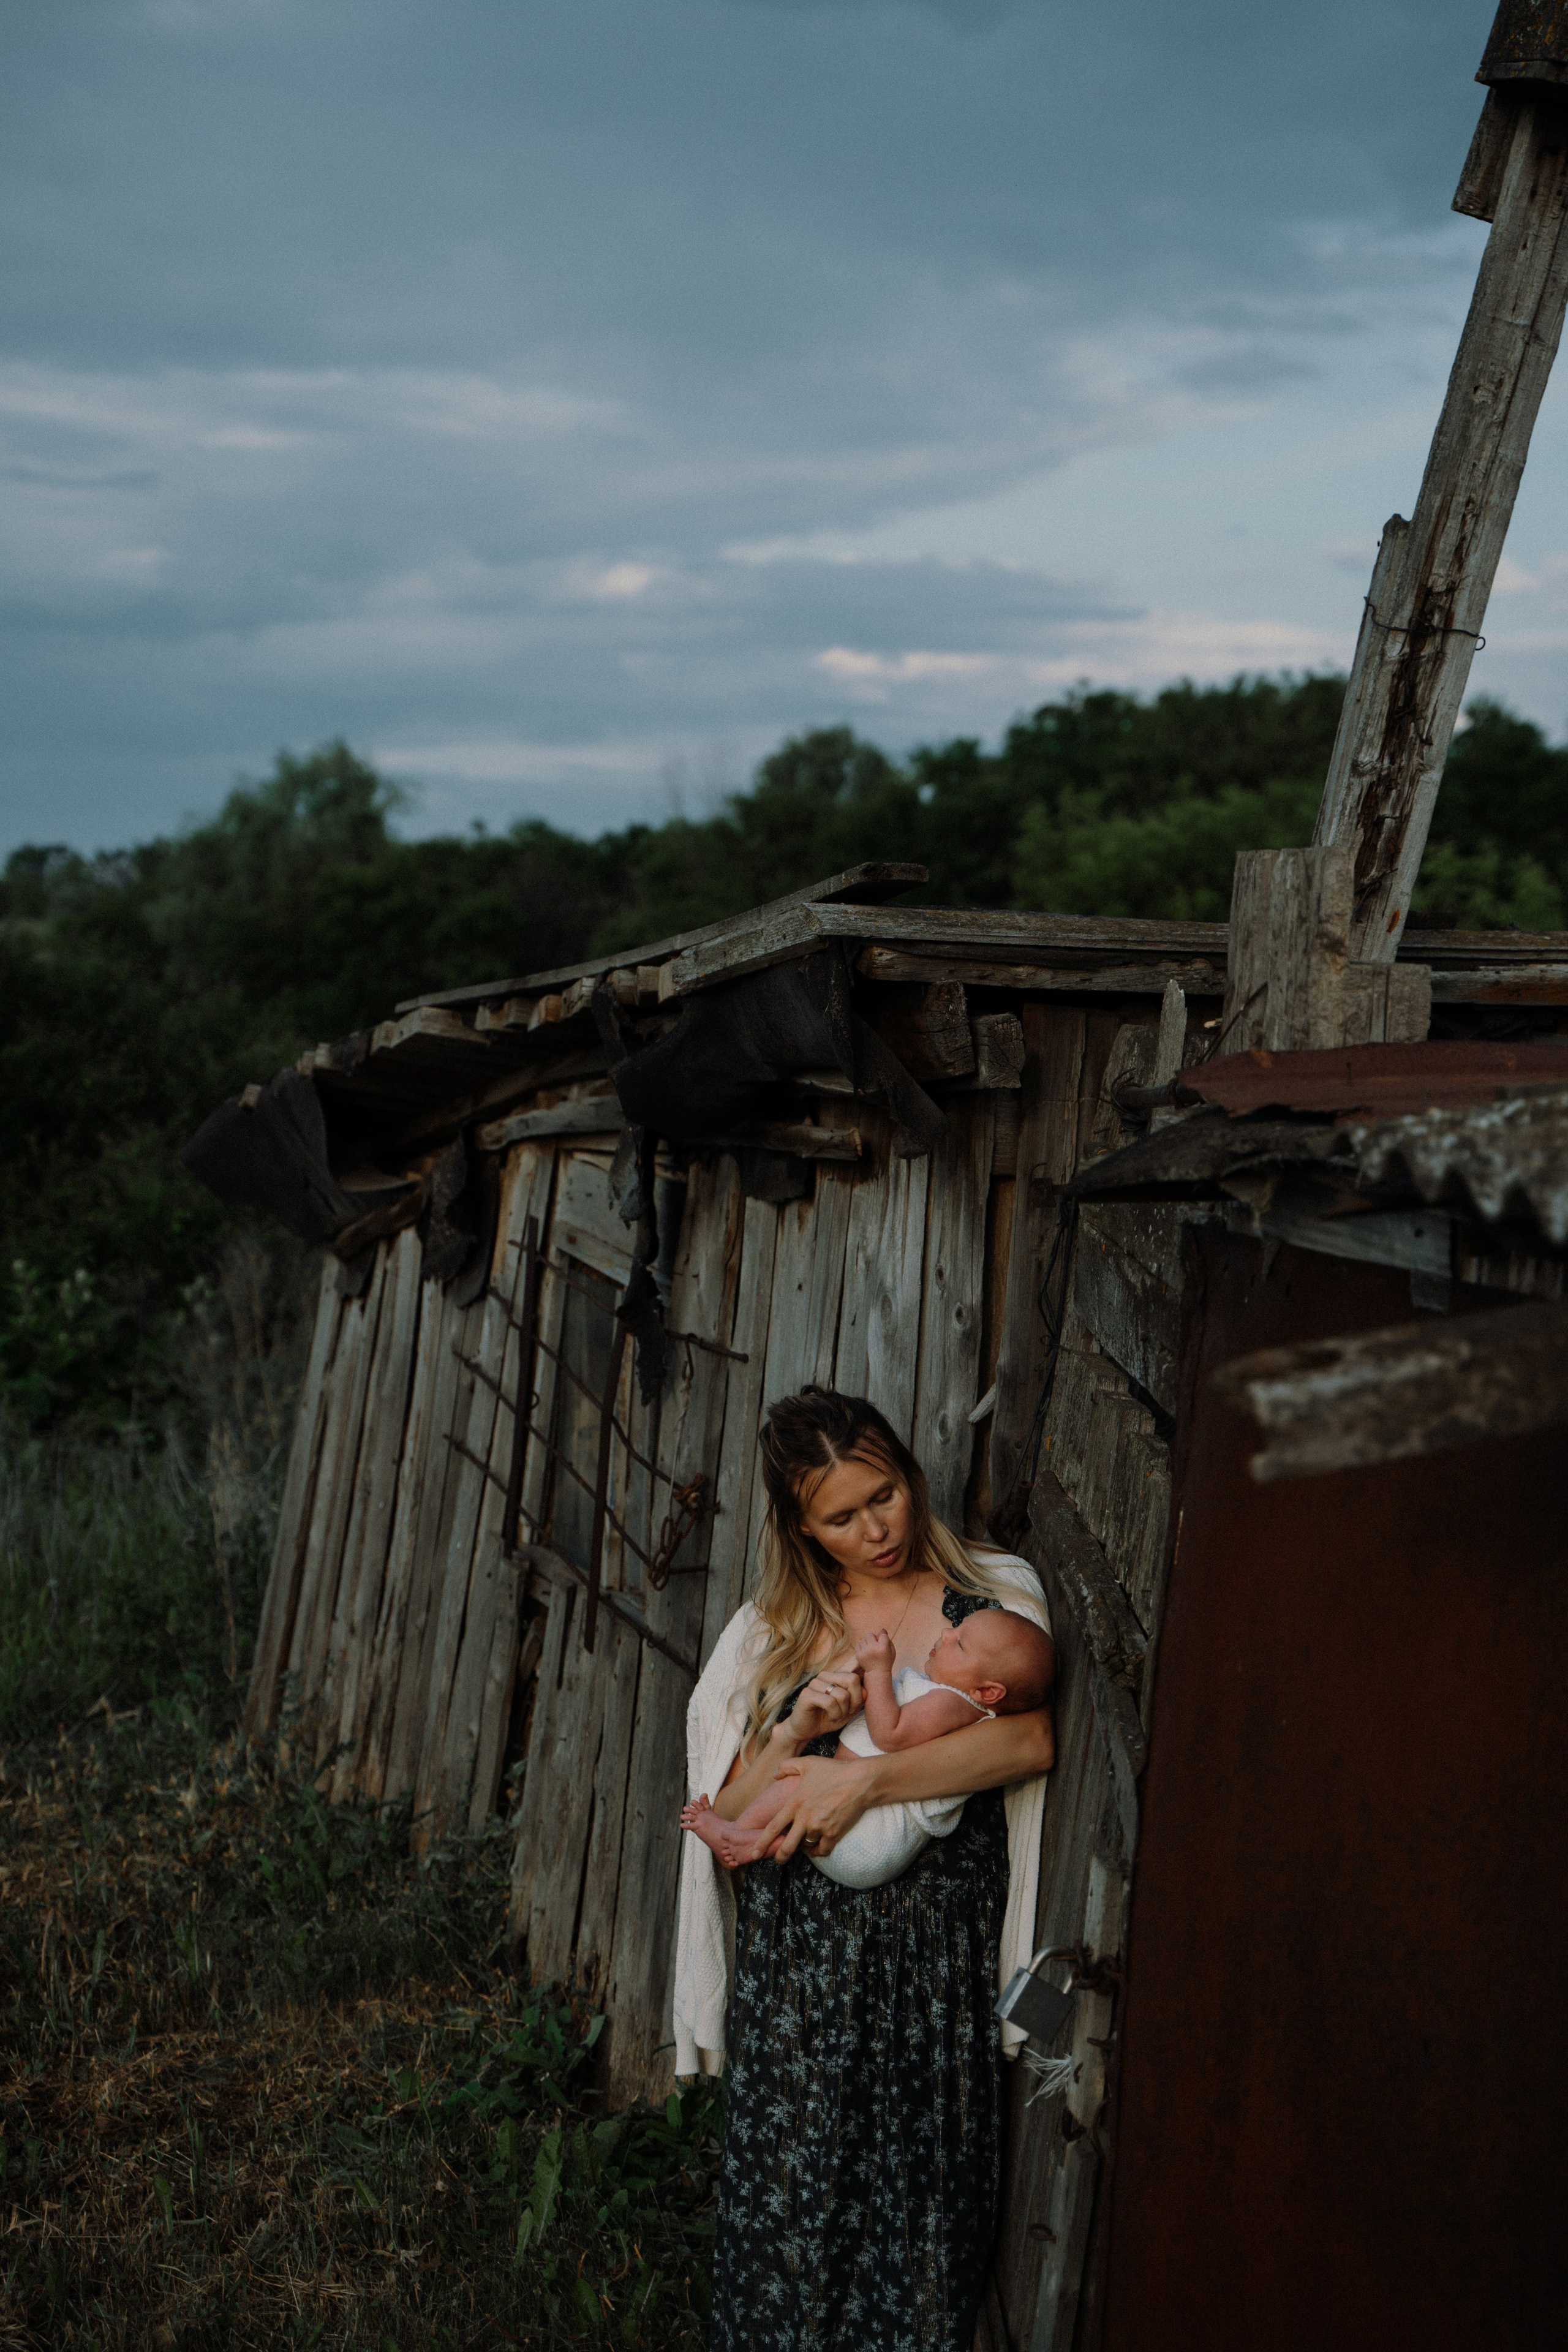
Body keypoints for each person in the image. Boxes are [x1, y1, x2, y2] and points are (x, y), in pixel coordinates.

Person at [673, 1385, 1055, 2352]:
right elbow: (729, 1802)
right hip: (803, 1972)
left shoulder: (990, 1600)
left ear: (909, 1477)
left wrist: (863, 1790)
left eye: (883, 1496)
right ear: (801, 1526)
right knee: (791, 2216)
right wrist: (798, 1728)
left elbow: (1026, 1745)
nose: (875, 1529)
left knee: (918, 2226)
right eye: (841, 1518)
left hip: (930, 1968)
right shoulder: (778, 1629)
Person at [679, 1607, 1054, 1887]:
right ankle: (749, 1841)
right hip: (855, 1840)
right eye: (955, 1628)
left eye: (960, 1643)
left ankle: (740, 1837)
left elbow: (889, 1734)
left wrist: (878, 1671)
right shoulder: (951, 1697)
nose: (945, 1634)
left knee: (798, 1783)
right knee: (799, 1785)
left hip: (869, 1840)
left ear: (987, 1692)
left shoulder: (952, 1703)